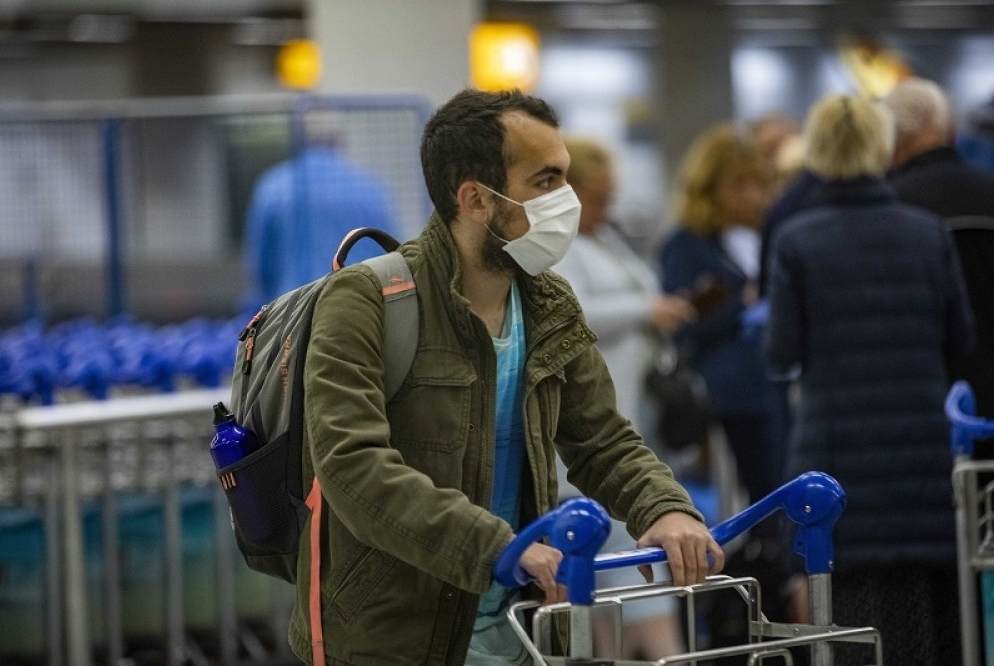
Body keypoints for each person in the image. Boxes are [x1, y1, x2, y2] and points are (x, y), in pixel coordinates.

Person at [291, 88, 725, 666]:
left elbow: (601, 438)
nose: (566, 200)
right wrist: (496, 548)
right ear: (475, 199)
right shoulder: (367, 300)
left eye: (566, 178)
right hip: (393, 640)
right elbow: (353, 467)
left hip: (523, 630)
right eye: (545, 182)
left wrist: (664, 507)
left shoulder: (548, 303)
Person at [765, 93, 974, 664]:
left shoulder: (797, 240)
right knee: (943, 623)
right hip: (926, 455)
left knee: (858, 627)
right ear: (883, 146)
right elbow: (963, 340)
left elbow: (779, 352)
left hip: (839, 458)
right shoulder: (927, 233)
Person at [552, 137, 697, 660]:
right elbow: (573, 315)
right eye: (597, 194)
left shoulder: (606, 239)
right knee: (600, 617)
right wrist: (643, 311)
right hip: (581, 459)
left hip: (633, 426)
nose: (606, 206)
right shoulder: (559, 249)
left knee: (646, 599)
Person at [657, 123, 785, 508]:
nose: (752, 197)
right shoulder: (686, 244)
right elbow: (682, 323)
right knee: (741, 500)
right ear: (708, 187)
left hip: (773, 385)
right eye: (738, 186)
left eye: (759, 185)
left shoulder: (770, 237)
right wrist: (740, 305)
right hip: (725, 395)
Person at [883, 76, 994, 420]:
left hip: (921, 394)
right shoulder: (992, 192)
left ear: (892, 141)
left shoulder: (890, 206)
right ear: (949, 130)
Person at [242, 111, 399, 309]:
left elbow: (260, 268)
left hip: (292, 313)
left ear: (297, 138)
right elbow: (391, 257)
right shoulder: (369, 188)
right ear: (339, 138)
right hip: (360, 308)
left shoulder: (273, 187)